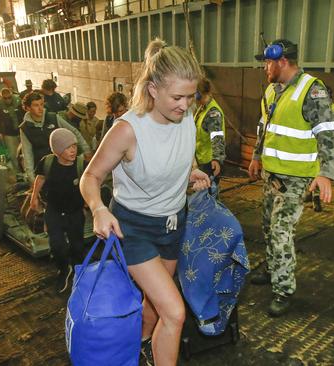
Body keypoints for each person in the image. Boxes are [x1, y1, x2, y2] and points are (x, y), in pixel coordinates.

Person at [79, 38, 211, 366]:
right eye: (177, 97)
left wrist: (191, 172)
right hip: (134, 228)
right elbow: (90, 177)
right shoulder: (127, 130)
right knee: (175, 311)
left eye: (190, 96)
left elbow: (181, 154)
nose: (185, 105)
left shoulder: (188, 117)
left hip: (172, 225)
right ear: (152, 90)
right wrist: (99, 208)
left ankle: (137, 350)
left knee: (153, 309)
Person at [248, 39, 334, 317]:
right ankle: (271, 266)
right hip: (272, 174)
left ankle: (283, 289)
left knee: (280, 232)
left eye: (267, 62)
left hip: (297, 179)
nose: (265, 67)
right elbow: (265, 126)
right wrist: (256, 155)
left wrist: (326, 174)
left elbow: (328, 133)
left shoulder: (312, 91)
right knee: (267, 226)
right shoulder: (272, 90)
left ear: (282, 61)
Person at [30, 129, 86, 293]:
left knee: (77, 246)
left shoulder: (81, 164)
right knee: (57, 246)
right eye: (69, 147)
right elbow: (40, 178)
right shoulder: (47, 163)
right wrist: (34, 198)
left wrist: (90, 203)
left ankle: (79, 273)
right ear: (58, 150)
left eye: (75, 146)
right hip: (53, 211)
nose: (73, 150)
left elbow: (90, 181)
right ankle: (63, 270)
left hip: (75, 212)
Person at [19, 92, 91, 183]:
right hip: (45, 168)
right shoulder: (25, 128)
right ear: (28, 108)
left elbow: (74, 132)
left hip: (63, 162)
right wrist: (31, 178)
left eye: (41, 104)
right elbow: (27, 153)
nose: (40, 108)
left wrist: (86, 150)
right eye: (36, 105)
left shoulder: (53, 117)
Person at [194, 77, 226, 192]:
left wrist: (216, 159)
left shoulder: (213, 113)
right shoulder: (202, 109)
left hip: (209, 163)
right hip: (202, 160)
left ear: (200, 93)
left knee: (208, 195)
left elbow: (217, 137)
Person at [0, 88, 23, 173]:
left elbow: (23, 114)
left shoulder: (18, 101)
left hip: (20, 130)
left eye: (9, 97)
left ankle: (24, 170)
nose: (8, 100)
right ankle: (17, 172)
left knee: (24, 152)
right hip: (8, 133)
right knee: (13, 154)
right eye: (5, 98)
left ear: (12, 95)